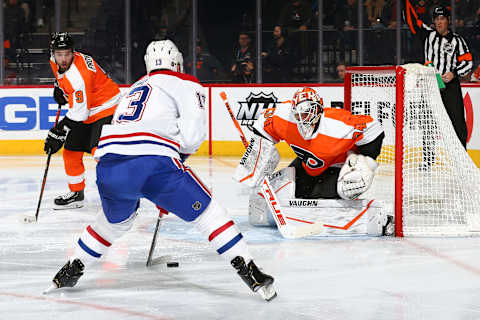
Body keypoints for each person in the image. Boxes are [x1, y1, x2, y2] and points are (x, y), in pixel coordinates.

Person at [46, 40, 277, 302]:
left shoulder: (133, 88)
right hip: (154, 164)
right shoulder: (186, 82)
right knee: (208, 213)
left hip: (109, 165)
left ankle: (73, 266)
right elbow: (191, 137)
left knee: (115, 222)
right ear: (177, 61)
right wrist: (171, 172)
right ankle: (249, 270)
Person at [233, 87, 385, 225]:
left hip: (336, 166)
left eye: (308, 113)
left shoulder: (337, 124)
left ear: (319, 110)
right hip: (307, 165)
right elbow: (264, 124)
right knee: (280, 195)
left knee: (329, 197)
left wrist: (365, 163)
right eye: (299, 114)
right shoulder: (284, 118)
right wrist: (256, 160)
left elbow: (373, 128)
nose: (303, 118)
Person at [44, 32, 121, 209]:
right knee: (71, 150)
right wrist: (60, 88)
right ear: (53, 53)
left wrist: (59, 131)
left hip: (106, 107)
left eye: (67, 54)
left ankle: (121, 193)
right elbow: (64, 80)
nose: (63, 59)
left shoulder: (79, 77)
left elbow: (79, 114)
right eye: (59, 54)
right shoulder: (55, 61)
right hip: (87, 107)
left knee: (99, 152)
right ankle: (77, 194)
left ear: (73, 52)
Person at [404, 2, 473, 151]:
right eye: (436, 19)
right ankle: (428, 160)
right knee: (428, 124)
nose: (439, 22)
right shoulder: (428, 35)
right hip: (430, 86)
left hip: (450, 87)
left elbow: (468, 62)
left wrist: (453, 73)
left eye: (442, 18)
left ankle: (462, 158)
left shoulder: (457, 40)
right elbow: (410, 19)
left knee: (458, 124)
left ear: (448, 20)